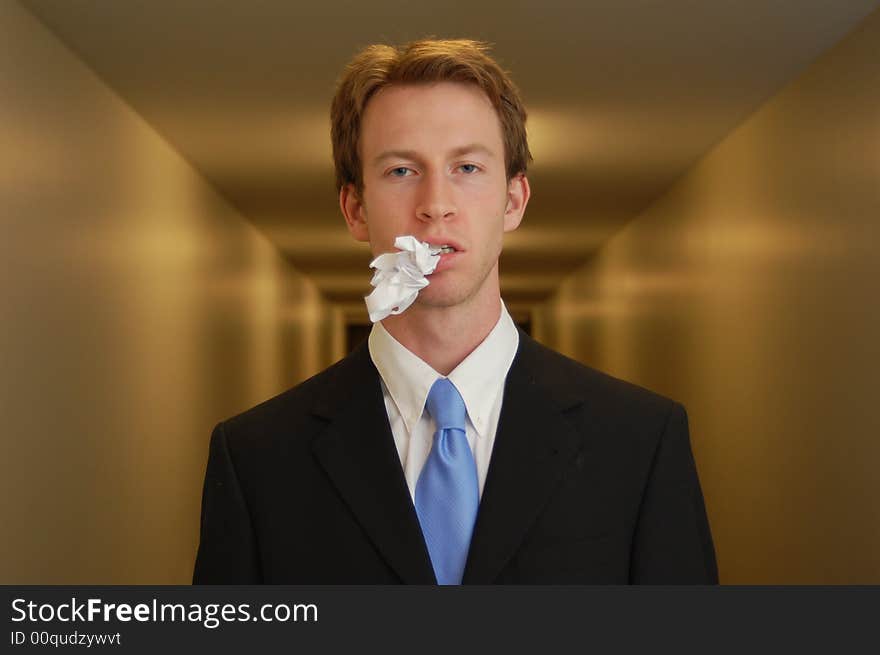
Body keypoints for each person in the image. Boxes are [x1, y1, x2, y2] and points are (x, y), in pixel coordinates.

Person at [192, 39, 718, 584]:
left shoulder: (640, 440)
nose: (435, 204)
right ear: (354, 208)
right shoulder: (257, 458)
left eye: (467, 167)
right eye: (400, 171)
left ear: (513, 200)